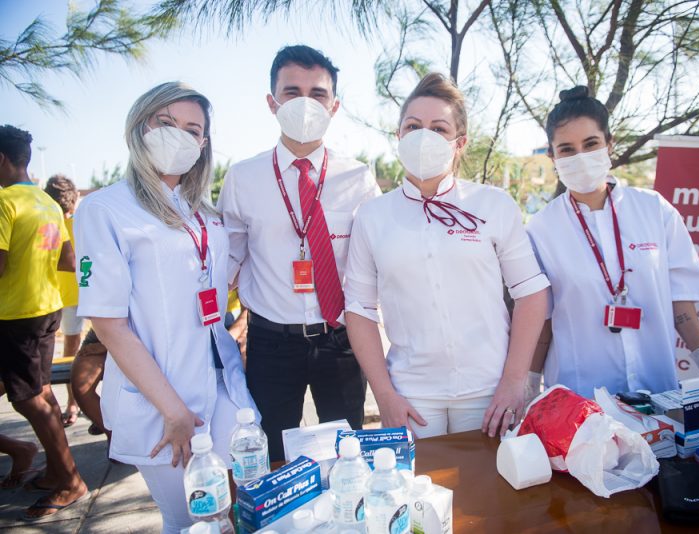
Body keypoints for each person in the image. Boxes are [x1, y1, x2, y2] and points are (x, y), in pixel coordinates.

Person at [74, 82, 258, 534]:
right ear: (141, 125)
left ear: (203, 144)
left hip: (222, 385)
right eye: (166, 122)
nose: (179, 135)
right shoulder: (105, 209)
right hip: (161, 400)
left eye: (193, 129)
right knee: (189, 520)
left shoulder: (204, 213)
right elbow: (110, 324)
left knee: (233, 512)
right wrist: (173, 411)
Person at [344, 73, 550, 439]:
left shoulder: (493, 204)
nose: (424, 137)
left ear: (459, 143)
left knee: (490, 496)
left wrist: (514, 381)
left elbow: (532, 293)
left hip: (489, 392)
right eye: (413, 126)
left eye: (439, 128)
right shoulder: (371, 217)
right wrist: (384, 394)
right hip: (411, 395)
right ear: (399, 137)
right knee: (422, 496)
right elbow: (359, 310)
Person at [525, 86, 699, 405]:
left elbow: (680, 301)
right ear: (552, 157)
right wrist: (528, 385)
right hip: (580, 398)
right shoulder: (541, 228)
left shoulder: (654, 209)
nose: (580, 157)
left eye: (590, 144)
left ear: (609, 144)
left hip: (657, 393)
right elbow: (543, 321)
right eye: (567, 149)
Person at [219, 45, 381, 461]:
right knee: (273, 455)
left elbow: (382, 261)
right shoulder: (243, 178)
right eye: (292, 92)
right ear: (272, 103)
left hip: (342, 340)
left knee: (348, 455)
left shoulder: (359, 178)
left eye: (318, 93)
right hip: (272, 342)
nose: (305, 103)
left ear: (335, 105)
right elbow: (227, 263)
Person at [0, 125, 88, 519]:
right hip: (46, 309)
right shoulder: (46, 203)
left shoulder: (4, 203)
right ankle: (56, 472)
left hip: (15, 314)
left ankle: (70, 480)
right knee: (42, 395)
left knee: (29, 399)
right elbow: (67, 261)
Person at [44, 174, 82, 427]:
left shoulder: (48, 222)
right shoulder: (76, 221)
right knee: (75, 352)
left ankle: (69, 404)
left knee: (68, 352)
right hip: (78, 295)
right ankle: (73, 403)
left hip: (60, 297)